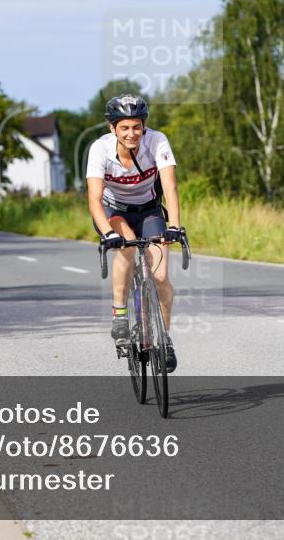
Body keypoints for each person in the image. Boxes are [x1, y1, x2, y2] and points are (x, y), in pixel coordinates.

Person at [85, 94, 184, 372]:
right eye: (125, 128)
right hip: (114, 211)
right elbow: (94, 199)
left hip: (150, 209)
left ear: (144, 126)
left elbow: (171, 188)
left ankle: (164, 338)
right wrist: (106, 232)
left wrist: (174, 226)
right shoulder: (100, 150)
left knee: (161, 275)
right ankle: (119, 313)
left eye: (137, 127)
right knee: (127, 246)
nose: (132, 133)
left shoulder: (157, 141)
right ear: (112, 128)